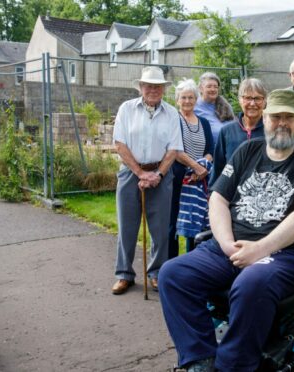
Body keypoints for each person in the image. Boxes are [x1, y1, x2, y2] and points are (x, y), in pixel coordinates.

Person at [158, 89, 294, 372]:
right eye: (275, 116)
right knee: (173, 274)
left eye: (288, 117)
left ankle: (234, 366)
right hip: (231, 248)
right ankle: (200, 359)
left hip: (286, 254)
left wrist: (259, 249)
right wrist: (227, 244)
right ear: (265, 118)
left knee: (251, 283)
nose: (281, 123)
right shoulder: (248, 150)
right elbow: (218, 198)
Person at [111, 66, 183, 295]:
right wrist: (140, 173)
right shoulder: (127, 109)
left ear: (163, 89)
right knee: (127, 227)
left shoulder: (172, 113)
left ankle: (156, 273)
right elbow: (119, 144)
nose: (153, 89)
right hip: (130, 173)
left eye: (157, 86)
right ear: (141, 87)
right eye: (148, 85)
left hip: (161, 174)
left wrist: (158, 175)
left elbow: (173, 149)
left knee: (161, 229)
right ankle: (124, 274)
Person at [168, 79, 214, 256]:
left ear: (196, 99)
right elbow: (176, 150)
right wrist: (195, 167)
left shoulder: (204, 122)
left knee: (195, 221)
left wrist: (202, 168)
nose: (187, 101)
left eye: (191, 97)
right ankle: (169, 262)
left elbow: (210, 149)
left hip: (198, 180)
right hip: (178, 178)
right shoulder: (173, 120)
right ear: (177, 100)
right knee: (172, 222)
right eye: (183, 97)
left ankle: (192, 261)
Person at [209, 78, 267, 185]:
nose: (252, 103)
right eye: (248, 98)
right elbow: (218, 167)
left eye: (258, 98)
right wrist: (212, 193)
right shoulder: (227, 131)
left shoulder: (271, 132)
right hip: (230, 193)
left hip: (261, 195)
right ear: (240, 100)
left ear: (264, 101)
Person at [194, 72, 235, 143]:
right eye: (209, 86)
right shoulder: (194, 107)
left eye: (215, 87)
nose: (213, 89)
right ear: (201, 88)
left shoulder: (226, 105)